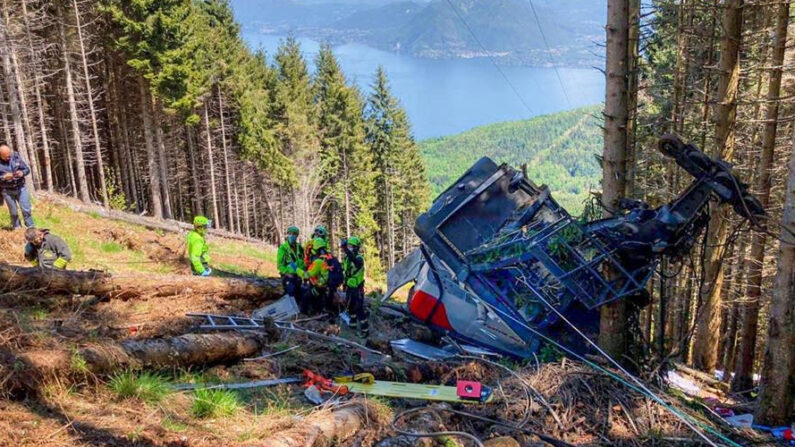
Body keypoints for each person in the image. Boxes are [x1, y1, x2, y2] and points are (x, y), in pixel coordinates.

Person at [0, 144, 34, 229]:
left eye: (9, 155)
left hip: (20, 187)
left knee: (26, 210)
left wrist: (22, 173)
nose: (8, 158)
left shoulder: (15, 157)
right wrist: (3, 177)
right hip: (7, 190)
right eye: (6, 157)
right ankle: (17, 228)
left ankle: (31, 228)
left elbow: (26, 169)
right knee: (13, 212)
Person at [341, 236, 368, 337]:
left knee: (359, 309)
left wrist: (346, 249)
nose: (350, 248)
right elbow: (346, 271)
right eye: (348, 246)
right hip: (349, 287)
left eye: (351, 246)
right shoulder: (347, 259)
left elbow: (356, 262)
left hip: (357, 289)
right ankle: (352, 326)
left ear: (356, 247)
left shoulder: (359, 258)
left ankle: (365, 330)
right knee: (350, 307)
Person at [301, 237, 330, 315]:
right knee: (318, 298)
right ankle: (317, 311)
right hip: (320, 284)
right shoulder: (325, 256)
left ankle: (304, 313)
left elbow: (308, 274)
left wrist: (297, 269)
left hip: (318, 285)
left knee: (306, 297)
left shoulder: (318, 260)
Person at [277, 226, 305, 301]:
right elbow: (280, 265)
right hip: (288, 277)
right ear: (288, 234)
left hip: (298, 276)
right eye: (290, 233)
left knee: (300, 295)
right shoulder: (283, 248)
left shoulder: (300, 248)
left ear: (297, 236)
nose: (292, 235)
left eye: (294, 234)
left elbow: (303, 261)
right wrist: (286, 273)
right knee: (291, 292)